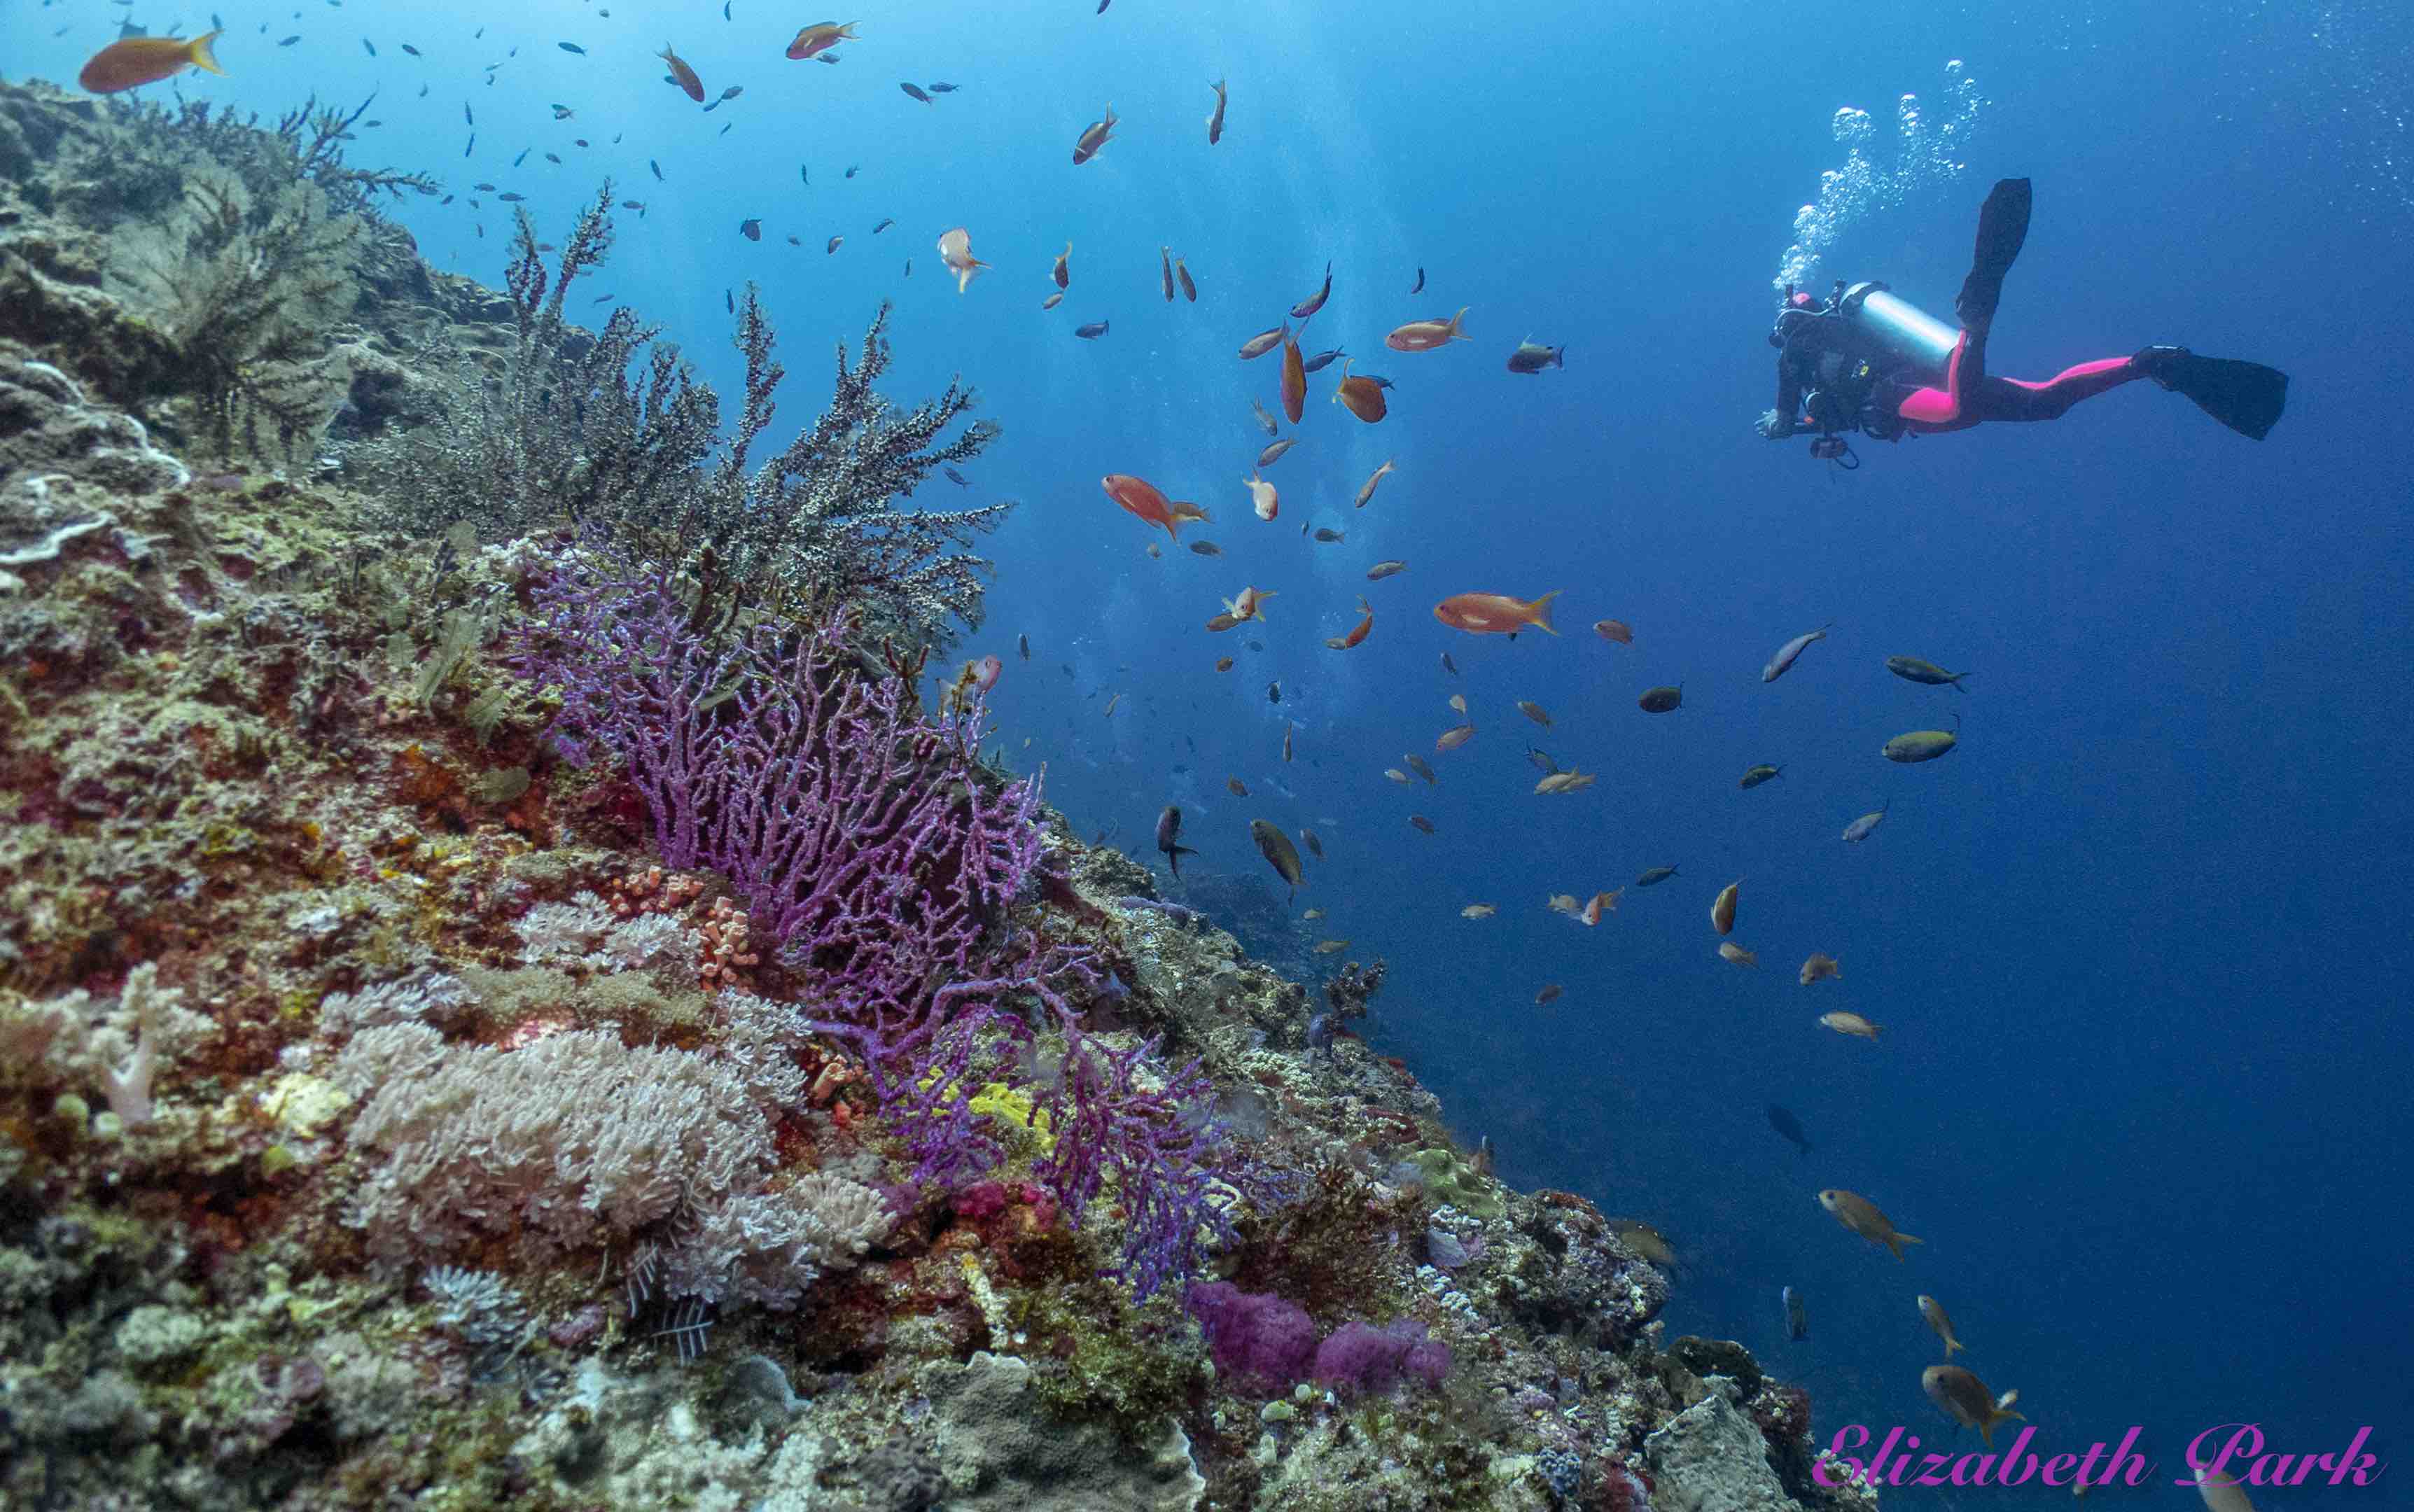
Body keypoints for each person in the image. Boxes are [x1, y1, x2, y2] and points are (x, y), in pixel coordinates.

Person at [1759, 178, 2288, 461]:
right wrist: (1815, 426)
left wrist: (1781, 425)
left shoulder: (1793, 357)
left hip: (1893, 392)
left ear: (1785, 326)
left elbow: (1788, 418)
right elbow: (1823, 415)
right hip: (1928, 367)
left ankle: (1978, 322)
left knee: (1956, 408)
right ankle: (2146, 364)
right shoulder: (1836, 331)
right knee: (2044, 405)